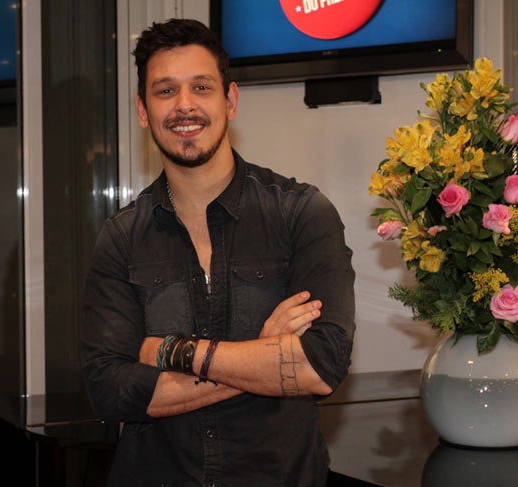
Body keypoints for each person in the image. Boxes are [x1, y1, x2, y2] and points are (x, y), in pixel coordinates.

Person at [81, 18, 355, 487]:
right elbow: (109, 390)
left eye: (201, 87)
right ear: (143, 110)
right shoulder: (120, 237)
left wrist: (168, 350)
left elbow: (320, 365)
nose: (184, 105)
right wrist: (261, 358)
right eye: (165, 90)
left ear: (230, 101)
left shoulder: (301, 213)